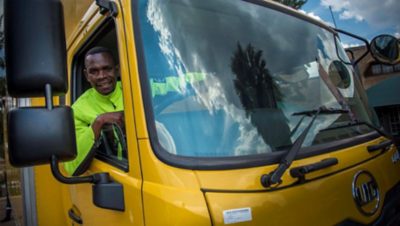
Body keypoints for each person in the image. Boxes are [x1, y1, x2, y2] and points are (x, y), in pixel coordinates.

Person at [64, 46, 124, 176]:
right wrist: (98, 123)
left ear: (117, 70)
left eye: (107, 69)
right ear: (87, 75)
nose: (101, 76)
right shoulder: (78, 110)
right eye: (94, 71)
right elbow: (71, 167)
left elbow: (176, 85)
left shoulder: (138, 89)